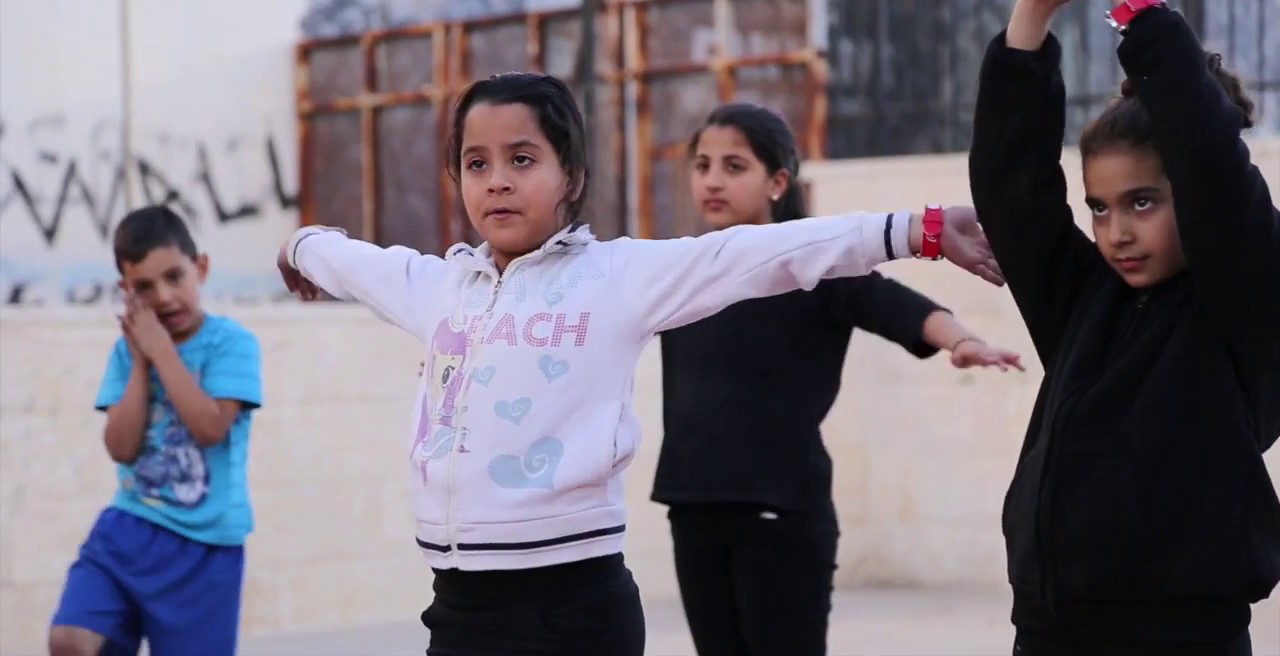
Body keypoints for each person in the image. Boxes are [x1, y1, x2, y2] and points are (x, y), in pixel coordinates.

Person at [277, 72, 1006, 656]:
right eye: (477, 163)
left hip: (574, 609)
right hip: (459, 608)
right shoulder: (440, 288)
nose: (497, 180)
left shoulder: (617, 277)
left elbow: (762, 253)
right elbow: (355, 260)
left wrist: (917, 229)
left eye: (522, 160)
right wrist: (300, 247)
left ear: (571, 176)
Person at [969, 0, 1280, 654]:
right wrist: (1033, 11)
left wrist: (1135, 4)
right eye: (1100, 208)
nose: (1117, 232)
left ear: (1188, 195)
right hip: (1049, 628)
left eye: (1143, 202)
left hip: (1179, 634)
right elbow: (1013, 191)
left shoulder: (1244, 300)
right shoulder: (1086, 301)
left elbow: (1209, 159)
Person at [652, 102, 1024, 656]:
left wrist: (964, 342)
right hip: (692, 507)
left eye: (734, 166)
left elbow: (894, 305)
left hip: (780, 513)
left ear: (778, 182)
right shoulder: (679, 272)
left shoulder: (810, 267)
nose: (712, 181)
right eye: (702, 166)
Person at [48, 205, 264, 656]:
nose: (164, 297)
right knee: (70, 640)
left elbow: (210, 428)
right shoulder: (127, 353)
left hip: (204, 549)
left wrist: (161, 350)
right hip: (129, 530)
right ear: (126, 291)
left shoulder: (231, 344)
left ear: (201, 268)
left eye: (174, 277)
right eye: (145, 287)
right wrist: (141, 360)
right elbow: (121, 447)